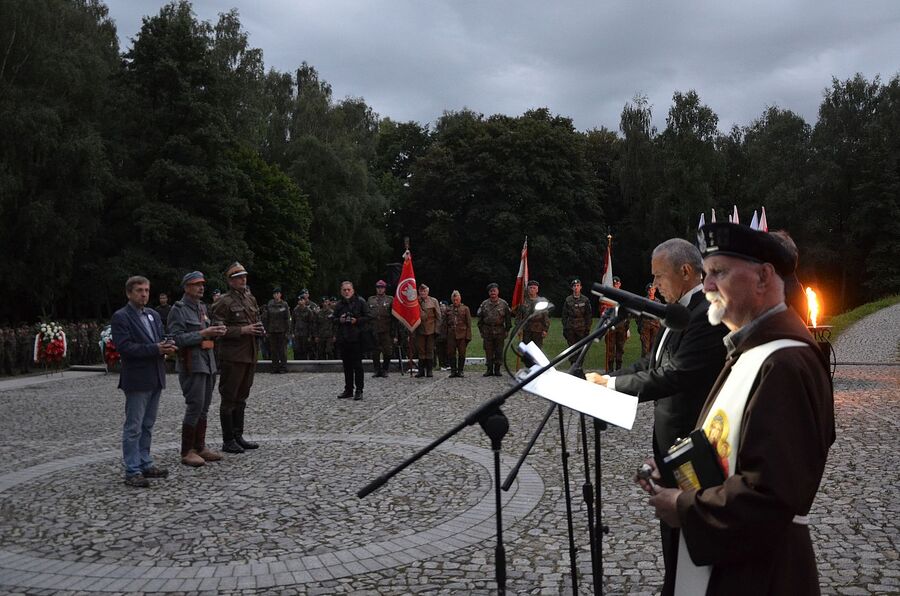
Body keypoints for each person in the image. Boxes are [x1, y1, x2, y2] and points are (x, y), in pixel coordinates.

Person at [643, 223, 835, 595]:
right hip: (735, 560)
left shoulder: (784, 363)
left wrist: (684, 507)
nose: (707, 286)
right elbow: (729, 442)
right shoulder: (752, 349)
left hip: (760, 573)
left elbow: (770, 496)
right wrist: (675, 467)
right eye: (706, 273)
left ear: (763, 277)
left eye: (719, 273)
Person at [586, 238, 728, 593]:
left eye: (659, 277)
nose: (654, 286)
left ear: (685, 271)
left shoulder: (705, 314)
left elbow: (676, 374)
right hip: (669, 447)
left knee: (689, 543)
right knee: (672, 541)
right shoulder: (676, 311)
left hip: (693, 448)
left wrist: (612, 387)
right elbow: (653, 363)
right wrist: (608, 378)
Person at [111, 275, 176, 487]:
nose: (144, 294)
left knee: (148, 425)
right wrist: (156, 349)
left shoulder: (153, 314)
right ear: (129, 293)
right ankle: (132, 470)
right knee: (134, 427)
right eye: (139, 290)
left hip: (156, 375)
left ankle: (145, 462)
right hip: (137, 379)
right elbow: (125, 347)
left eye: (147, 290)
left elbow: (160, 338)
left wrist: (167, 346)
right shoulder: (121, 317)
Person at [166, 271, 227, 467]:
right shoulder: (179, 309)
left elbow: (204, 333)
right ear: (186, 287)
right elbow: (176, 339)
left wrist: (216, 332)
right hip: (192, 364)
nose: (201, 287)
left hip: (208, 362)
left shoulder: (202, 307)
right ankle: (187, 451)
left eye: (202, 284)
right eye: (196, 284)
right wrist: (203, 334)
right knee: (195, 406)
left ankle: (199, 446)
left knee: (204, 407)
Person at [210, 262, 264, 454]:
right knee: (229, 397)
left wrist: (258, 330)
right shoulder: (223, 302)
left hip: (249, 354)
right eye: (239, 277)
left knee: (242, 396)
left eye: (244, 276)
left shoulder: (250, 299)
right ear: (231, 281)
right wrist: (243, 330)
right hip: (232, 356)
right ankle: (228, 439)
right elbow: (218, 330)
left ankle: (238, 435)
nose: (243, 280)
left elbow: (256, 320)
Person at [332, 281, 371, 400]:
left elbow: (369, 317)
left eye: (348, 289)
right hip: (344, 338)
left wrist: (356, 320)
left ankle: (359, 390)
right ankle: (348, 389)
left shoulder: (360, 302)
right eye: (344, 290)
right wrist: (340, 320)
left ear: (353, 290)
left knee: (357, 366)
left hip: (357, 338)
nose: (346, 292)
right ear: (341, 291)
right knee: (347, 366)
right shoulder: (339, 305)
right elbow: (333, 319)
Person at [476, 283, 511, 377]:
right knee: (488, 351)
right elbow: (480, 319)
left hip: (500, 331)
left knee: (499, 351)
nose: (493, 293)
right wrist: (481, 330)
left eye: (494, 291)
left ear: (498, 291)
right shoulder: (484, 304)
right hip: (487, 331)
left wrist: (507, 330)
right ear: (489, 293)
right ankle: (489, 369)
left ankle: (497, 369)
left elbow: (508, 318)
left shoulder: (503, 304)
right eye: (491, 291)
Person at [367, 280, 396, 377]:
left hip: (386, 329)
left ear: (385, 289)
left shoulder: (390, 299)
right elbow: (368, 314)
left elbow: (394, 316)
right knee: (375, 352)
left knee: (388, 351)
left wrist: (395, 332)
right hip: (374, 329)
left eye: (382, 288)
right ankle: (377, 370)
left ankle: (385, 369)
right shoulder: (371, 299)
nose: (380, 289)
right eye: (378, 287)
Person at [562, 278, 593, 362]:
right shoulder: (568, 300)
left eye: (578, 285)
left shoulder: (585, 300)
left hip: (581, 328)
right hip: (570, 328)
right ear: (572, 288)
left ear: (580, 287)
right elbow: (564, 315)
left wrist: (587, 328)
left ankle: (579, 366)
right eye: (574, 286)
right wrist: (565, 327)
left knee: (581, 349)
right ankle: (572, 365)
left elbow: (588, 315)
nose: (576, 287)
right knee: (571, 349)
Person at [443, 290, 472, 377]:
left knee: (462, 353)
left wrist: (468, 336)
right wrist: (445, 335)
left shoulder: (465, 309)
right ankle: (453, 370)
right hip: (451, 335)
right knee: (451, 353)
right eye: (454, 300)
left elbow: (469, 323)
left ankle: (460, 370)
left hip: (462, 334)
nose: (455, 301)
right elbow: (445, 324)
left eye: (457, 300)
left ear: (460, 299)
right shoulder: (448, 309)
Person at [262, 286, 291, 373]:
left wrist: (288, 331)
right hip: (272, 330)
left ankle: (283, 367)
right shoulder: (270, 304)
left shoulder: (284, 304)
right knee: (273, 350)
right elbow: (266, 318)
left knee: (282, 350)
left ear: (280, 295)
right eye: (275, 294)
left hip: (282, 330)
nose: (276, 295)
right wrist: (266, 330)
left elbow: (287, 318)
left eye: (278, 293)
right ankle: (275, 367)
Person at [414, 284, 441, 377]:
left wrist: (437, 330)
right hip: (419, 329)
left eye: (424, 291)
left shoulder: (433, 301)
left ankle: (429, 370)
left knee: (430, 350)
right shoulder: (415, 301)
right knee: (421, 350)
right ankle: (421, 371)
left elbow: (438, 316)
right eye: (421, 291)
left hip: (431, 330)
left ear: (428, 292)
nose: (422, 293)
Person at [604, 276, 630, 371]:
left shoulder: (623, 297)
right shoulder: (608, 297)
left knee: (620, 349)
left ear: (620, 284)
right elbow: (604, 311)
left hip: (621, 326)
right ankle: (610, 370)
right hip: (610, 327)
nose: (616, 285)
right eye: (614, 284)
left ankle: (618, 370)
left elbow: (627, 313)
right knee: (610, 349)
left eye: (617, 284)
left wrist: (628, 329)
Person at [515, 279, 550, 348]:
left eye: (534, 288)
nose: (532, 289)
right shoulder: (523, 301)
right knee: (526, 350)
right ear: (527, 289)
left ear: (537, 290)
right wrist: (518, 328)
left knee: (537, 350)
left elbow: (545, 317)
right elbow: (519, 316)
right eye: (530, 288)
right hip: (526, 329)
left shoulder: (542, 301)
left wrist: (545, 329)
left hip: (538, 329)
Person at [638, 284, 663, 358]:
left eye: (652, 289)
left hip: (655, 326)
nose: (651, 291)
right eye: (649, 290)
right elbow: (638, 314)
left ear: (655, 290)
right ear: (647, 291)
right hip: (645, 326)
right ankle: (644, 366)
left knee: (654, 347)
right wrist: (640, 326)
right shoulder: (644, 301)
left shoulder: (658, 301)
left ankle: (651, 365)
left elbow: (660, 314)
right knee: (645, 348)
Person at [291, 290, 315, 360]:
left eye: (301, 300)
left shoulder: (309, 311)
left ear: (304, 301)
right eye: (299, 300)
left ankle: (305, 365)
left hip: (305, 333)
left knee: (305, 350)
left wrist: (310, 335)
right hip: (297, 333)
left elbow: (311, 323)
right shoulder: (295, 310)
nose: (300, 301)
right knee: (297, 350)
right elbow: (293, 322)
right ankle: (297, 365)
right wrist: (292, 332)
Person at [435, 300, 450, 371]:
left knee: (447, 351)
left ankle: (448, 364)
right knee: (440, 352)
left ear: (446, 307)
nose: (441, 308)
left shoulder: (449, 315)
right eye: (440, 306)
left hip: (447, 336)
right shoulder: (437, 315)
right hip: (439, 336)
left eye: (443, 306)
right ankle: (442, 364)